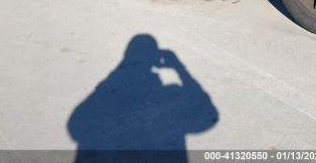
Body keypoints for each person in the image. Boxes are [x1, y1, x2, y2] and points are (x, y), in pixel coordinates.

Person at [68, 34, 218, 163]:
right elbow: (208, 115)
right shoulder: (169, 97)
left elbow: (76, 126)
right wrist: (179, 68)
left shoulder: (104, 95)